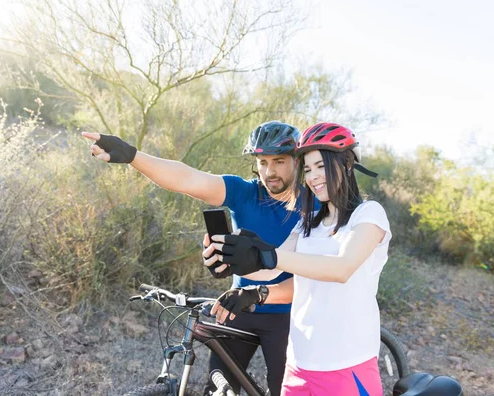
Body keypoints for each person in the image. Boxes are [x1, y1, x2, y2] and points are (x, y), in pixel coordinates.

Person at [82, 121, 304, 396]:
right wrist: (133, 156)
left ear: (297, 161)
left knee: (286, 391)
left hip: (288, 317)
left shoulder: (314, 204)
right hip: (236, 308)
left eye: (279, 161)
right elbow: (187, 178)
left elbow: (318, 277)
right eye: (262, 162)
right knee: (219, 390)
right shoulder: (245, 192)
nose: (269, 172)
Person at [203, 122, 389, 396]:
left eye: (321, 166)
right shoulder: (308, 225)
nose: (313, 177)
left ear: (347, 162)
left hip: (347, 366)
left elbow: (341, 269)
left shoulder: (368, 215)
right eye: (308, 168)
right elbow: (266, 270)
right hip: (299, 366)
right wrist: (228, 255)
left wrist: (267, 255)